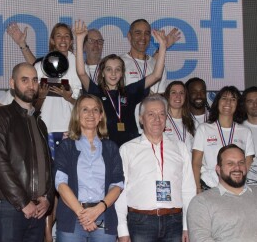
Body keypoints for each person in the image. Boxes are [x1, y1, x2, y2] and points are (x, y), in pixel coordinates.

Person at [7, 22, 82, 242]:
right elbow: (34, 103)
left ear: (71, 41)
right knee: (49, 185)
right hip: (46, 131)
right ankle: (47, 237)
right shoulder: (41, 65)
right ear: (52, 40)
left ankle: (66, 234)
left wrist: (69, 98)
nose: (62, 39)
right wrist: (43, 94)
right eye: (58, 36)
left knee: (66, 186)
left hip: (70, 132)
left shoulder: (76, 67)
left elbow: (82, 102)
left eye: (66, 36)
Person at [0, 63, 54, 242]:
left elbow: (49, 165)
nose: (31, 85)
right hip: (10, 207)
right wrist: (23, 202)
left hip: (38, 210)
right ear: (12, 84)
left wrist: (47, 199)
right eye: (25, 80)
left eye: (34, 80)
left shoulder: (40, 123)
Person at [115, 94, 196, 242]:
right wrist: (122, 230)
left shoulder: (179, 147)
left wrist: (187, 226)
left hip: (174, 220)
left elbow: (188, 189)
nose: (157, 119)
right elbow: (120, 192)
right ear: (141, 119)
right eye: (151, 114)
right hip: (140, 221)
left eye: (161, 114)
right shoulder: (127, 149)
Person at [74, 19, 167, 147]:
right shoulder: (96, 92)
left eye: (117, 69)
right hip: (105, 145)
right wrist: (79, 40)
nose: (113, 74)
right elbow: (81, 72)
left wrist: (163, 46)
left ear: (122, 73)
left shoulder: (130, 91)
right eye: (109, 69)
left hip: (131, 145)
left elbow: (156, 75)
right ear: (102, 72)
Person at [54, 94, 124, 242]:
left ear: (101, 116)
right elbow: (60, 183)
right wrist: (82, 214)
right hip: (72, 217)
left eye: (95, 110)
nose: (90, 114)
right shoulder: (66, 146)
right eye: (85, 109)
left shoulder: (111, 148)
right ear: (77, 116)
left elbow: (117, 184)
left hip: (103, 216)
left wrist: (97, 210)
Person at [187, 144, 257, 242]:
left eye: (241, 162)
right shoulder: (202, 201)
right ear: (218, 169)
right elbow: (199, 241)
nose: (237, 167)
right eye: (230, 163)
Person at [121, 19, 180, 133]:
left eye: (147, 33)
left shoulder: (158, 64)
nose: (143, 37)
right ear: (129, 36)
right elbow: (117, 97)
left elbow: (162, 96)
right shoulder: (119, 63)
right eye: (138, 33)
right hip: (128, 126)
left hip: (154, 128)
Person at [192, 86, 254, 193]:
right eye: (224, 98)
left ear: (238, 105)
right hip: (209, 186)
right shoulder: (204, 129)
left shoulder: (245, 132)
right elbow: (196, 163)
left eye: (233, 99)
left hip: (235, 187)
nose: (228, 102)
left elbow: (248, 163)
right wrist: (197, 187)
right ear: (217, 102)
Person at [164, 81, 195, 154]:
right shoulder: (161, 120)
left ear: (185, 97)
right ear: (167, 96)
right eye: (174, 92)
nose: (178, 96)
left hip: (188, 164)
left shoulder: (193, 121)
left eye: (181, 93)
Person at [242, 86, 257, 186]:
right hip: (247, 187)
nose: (255, 104)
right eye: (250, 101)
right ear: (244, 105)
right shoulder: (238, 129)